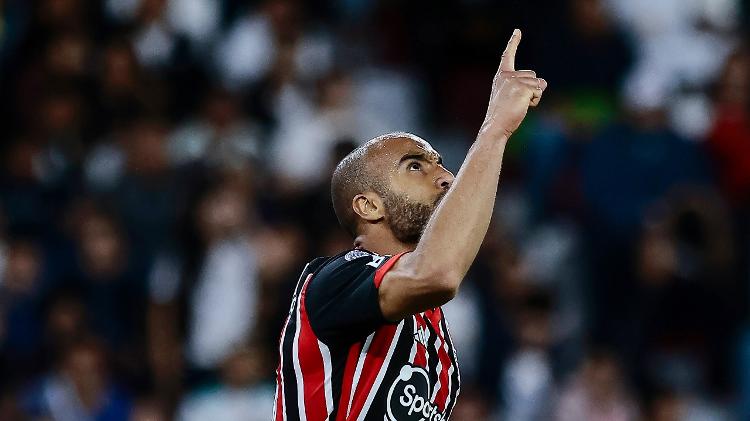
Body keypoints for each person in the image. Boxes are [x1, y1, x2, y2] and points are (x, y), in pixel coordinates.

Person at [274, 29, 547, 420]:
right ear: (368, 206)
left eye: (440, 163)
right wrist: (494, 130)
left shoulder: (436, 337)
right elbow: (436, 273)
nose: (446, 178)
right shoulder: (334, 280)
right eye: (415, 167)